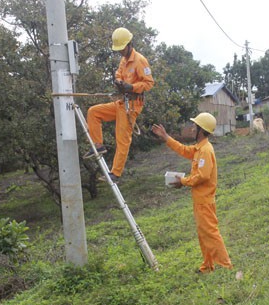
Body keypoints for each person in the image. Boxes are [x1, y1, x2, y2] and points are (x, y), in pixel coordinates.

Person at [152, 113, 233, 274]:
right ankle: (208, 265)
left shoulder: (205, 150)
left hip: (204, 201)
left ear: (201, 130)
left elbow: (203, 176)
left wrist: (182, 181)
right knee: (204, 234)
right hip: (200, 200)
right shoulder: (199, 148)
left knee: (210, 233)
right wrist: (166, 137)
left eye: (195, 126)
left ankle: (225, 266)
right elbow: (183, 150)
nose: (192, 128)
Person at [84, 27, 154, 184]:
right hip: (122, 102)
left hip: (132, 105)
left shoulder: (140, 60)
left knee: (122, 139)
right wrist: (119, 82)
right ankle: (98, 144)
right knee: (93, 112)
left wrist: (132, 87)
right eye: (119, 49)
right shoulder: (123, 61)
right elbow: (119, 74)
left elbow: (149, 83)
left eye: (122, 48)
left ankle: (115, 173)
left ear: (129, 44)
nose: (120, 52)